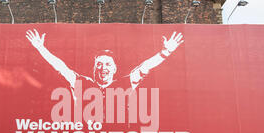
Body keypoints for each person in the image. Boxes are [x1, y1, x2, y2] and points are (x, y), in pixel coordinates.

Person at [26, 29, 184, 101]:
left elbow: (145, 67)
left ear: (114, 68)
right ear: (94, 68)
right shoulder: (82, 83)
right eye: (99, 64)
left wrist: (166, 52)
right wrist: (41, 48)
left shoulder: (124, 83)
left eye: (107, 64)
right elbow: (60, 67)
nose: (103, 68)